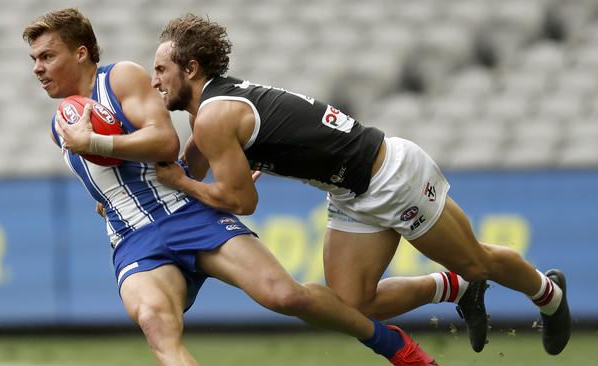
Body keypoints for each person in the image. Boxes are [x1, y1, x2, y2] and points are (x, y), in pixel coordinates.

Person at [23, 8, 439, 366]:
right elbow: (113, 176)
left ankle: (395, 346)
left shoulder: (121, 78)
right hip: (133, 237)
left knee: (283, 295)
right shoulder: (60, 124)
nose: (37, 68)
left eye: (47, 56)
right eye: (34, 59)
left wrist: (93, 142)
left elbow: (164, 141)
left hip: (186, 212)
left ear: (80, 53)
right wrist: (106, 197)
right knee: (155, 322)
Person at [153, 14, 571, 356]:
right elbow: (188, 167)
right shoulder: (206, 113)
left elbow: (241, 201)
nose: (154, 81)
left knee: (476, 261)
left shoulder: (212, 117)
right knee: (352, 303)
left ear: (191, 69)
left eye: (160, 69)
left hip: (391, 177)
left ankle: (548, 294)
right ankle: (456, 288)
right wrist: (137, 187)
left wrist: (178, 182)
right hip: (350, 194)